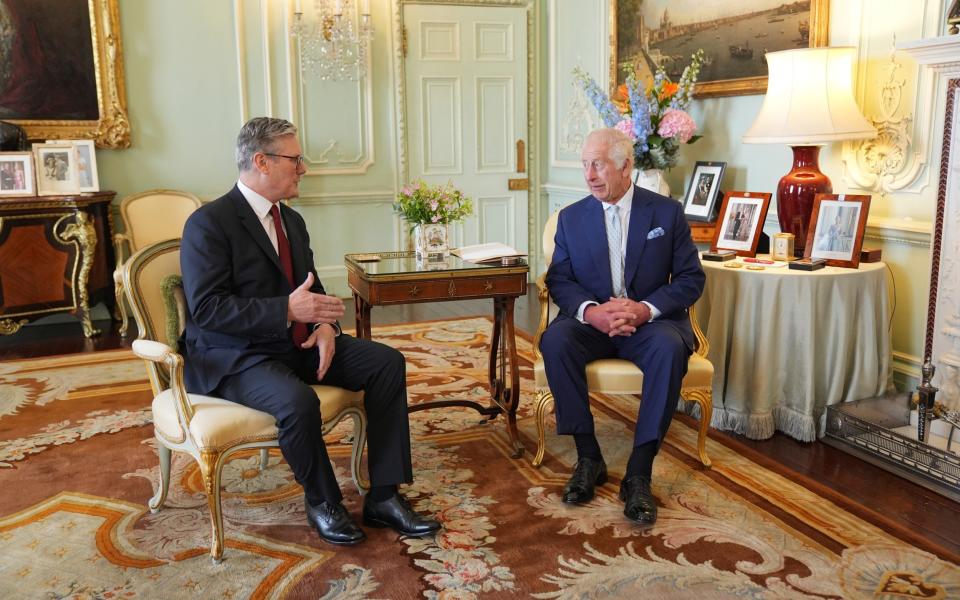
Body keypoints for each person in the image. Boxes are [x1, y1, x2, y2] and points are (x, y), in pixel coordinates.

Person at [180, 117, 441, 546]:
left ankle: (384, 496)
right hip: (235, 355)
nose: (303, 169)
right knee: (297, 402)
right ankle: (324, 502)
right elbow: (208, 310)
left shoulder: (292, 222)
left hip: (294, 342)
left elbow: (311, 289)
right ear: (261, 161)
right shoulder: (209, 223)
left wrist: (324, 326)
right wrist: (286, 310)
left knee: (385, 363)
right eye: (295, 160)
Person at [540, 128, 705, 527]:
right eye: (585, 165)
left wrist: (646, 310)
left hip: (648, 324)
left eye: (598, 164)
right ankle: (589, 457)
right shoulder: (571, 218)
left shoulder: (665, 213)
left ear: (626, 165)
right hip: (593, 323)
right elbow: (559, 279)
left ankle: (639, 472)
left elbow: (690, 279)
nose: (590, 175)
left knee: (669, 349)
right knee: (556, 339)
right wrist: (591, 311)